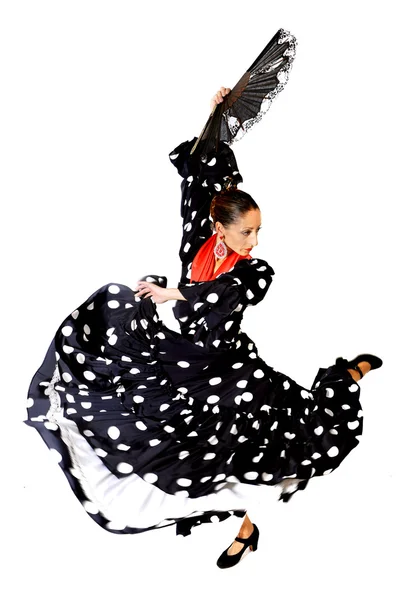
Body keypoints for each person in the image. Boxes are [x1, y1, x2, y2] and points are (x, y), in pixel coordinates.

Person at [26, 87, 382, 569]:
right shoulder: (202, 234)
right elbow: (206, 174)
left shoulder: (252, 269)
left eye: (257, 231)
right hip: (183, 361)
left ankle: (344, 378)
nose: (254, 241)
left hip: (229, 370)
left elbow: (240, 286)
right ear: (219, 227)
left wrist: (178, 294)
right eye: (246, 231)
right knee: (183, 457)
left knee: (271, 444)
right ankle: (246, 529)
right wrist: (215, 117)